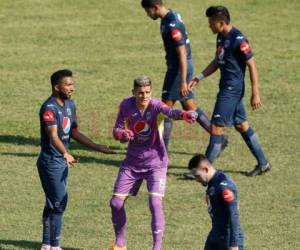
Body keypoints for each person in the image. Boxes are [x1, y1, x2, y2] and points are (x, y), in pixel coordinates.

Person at [108, 75, 198, 250]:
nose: (144, 96)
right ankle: (120, 244)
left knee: (155, 203)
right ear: (133, 92)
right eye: (140, 93)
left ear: (151, 92)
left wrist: (185, 114)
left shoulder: (155, 105)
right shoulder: (126, 105)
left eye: (147, 92)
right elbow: (116, 130)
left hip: (156, 162)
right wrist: (122, 135)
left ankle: (156, 248)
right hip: (132, 162)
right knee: (115, 203)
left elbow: (170, 112)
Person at [188, 6, 271, 176]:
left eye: (211, 23)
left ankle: (203, 170)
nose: (209, 26)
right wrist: (199, 77)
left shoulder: (239, 39)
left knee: (216, 128)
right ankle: (263, 163)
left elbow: (252, 65)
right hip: (227, 87)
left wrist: (255, 92)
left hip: (232, 90)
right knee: (241, 125)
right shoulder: (220, 36)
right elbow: (217, 61)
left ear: (221, 23)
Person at [37, 69, 114, 250]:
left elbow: (73, 132)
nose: (72, 88)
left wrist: (97, 147)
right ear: (57, 87)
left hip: (60, 162)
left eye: (73, 84)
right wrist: (65, 152)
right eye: (68, 84)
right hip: (50, 162)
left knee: (52, 203)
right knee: (59, 203)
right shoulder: (48, 109)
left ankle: (47, 245)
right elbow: (53, 135)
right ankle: (55, 246)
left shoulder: (70, 105)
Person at [141, 0, 227, 152]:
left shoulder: (171, 24)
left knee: (164, 111)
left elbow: (182, 53)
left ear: (155, 7)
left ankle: (161, 153)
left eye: (148, 11)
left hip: (179, 70)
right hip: (180, 68)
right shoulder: (170, 16)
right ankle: (219, 137)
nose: (147, 15)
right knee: (189, 107)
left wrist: (182, 81)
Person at [188, 154, 244, 250]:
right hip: (215, 235)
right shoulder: (213, 183)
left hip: (228, 239)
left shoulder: (224, 185)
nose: (197, 179)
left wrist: (234, 244)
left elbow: (233, 214)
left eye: (198, 176)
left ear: (205, 170)